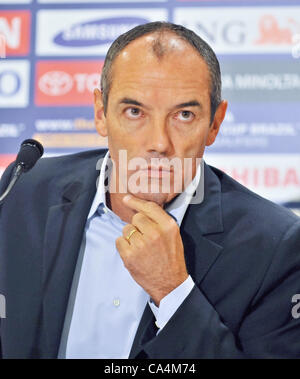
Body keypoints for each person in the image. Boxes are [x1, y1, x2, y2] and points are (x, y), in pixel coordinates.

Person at [0, 21, 300, 359]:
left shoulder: (275, 246)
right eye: (134, 112)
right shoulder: (23, 192)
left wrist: (172, 292)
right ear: (101, 113)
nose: (158, 143)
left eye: (184, 115)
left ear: (215, 123)